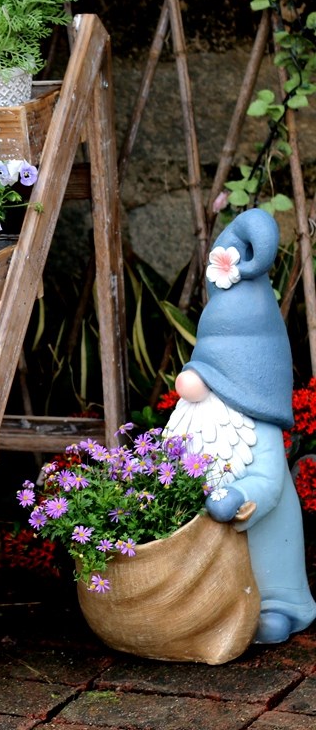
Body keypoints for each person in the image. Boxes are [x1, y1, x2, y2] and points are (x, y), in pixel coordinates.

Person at [165, 208, 316, 644]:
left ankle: (277, 605)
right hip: (209, 556)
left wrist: (237, 496)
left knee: (268, 570)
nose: (193, 383)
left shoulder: (256, 429)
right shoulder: (197, 419)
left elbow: (267, 483)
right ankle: (210, 605)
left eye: (213, 374)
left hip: (262, 536)